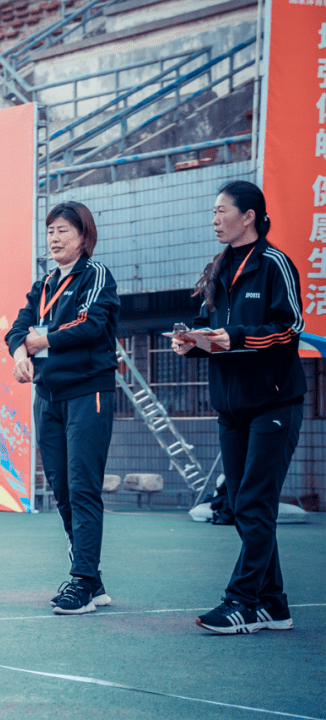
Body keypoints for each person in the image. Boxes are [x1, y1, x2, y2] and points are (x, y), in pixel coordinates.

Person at [172, 180, 304, 635]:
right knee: (244, 505)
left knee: (251, 503)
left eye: (221, 210)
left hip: (275, 401)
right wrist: (193, 341)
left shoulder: (274, 264)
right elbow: (214, 328)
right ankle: (274, 604)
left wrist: (238, 338)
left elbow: (289, 328)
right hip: (231, 407)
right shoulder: (220, 268)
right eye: (213, 211)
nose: (214, 218)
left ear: (249, 216)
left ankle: (241, 601)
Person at [5, 200, 119, 616]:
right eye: (50, 230)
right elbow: (18, 328)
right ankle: (91, 577)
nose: (54, 238)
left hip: (88, 392)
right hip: (48, 396)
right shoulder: (46, 283)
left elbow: (89, 325)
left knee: (83, 486)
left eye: (63, 231)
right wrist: (20, 353)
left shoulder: (97, 275)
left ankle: (82, 582)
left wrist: (41, 340)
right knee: (62, 489)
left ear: (84, 236)